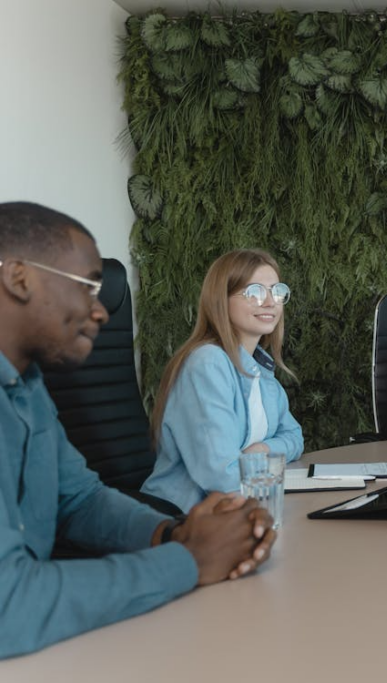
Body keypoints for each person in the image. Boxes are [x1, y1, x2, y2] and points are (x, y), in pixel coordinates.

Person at [0, 202, 276, 659]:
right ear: (19, 277)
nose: (101, 312)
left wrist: (174, 533)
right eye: (89, 286)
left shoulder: (26, 385)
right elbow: (8, 607)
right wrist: (187, 562)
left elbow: (78, 500)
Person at [142, 249, 303, 513]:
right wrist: (269, 465)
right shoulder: (207, 364)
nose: (270, 302)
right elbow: (222, 477)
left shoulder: (260, 369)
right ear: (221, 301)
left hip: (240, 510)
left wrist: (261, 450)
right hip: (185, 521)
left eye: (276, 291)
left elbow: (295, 437)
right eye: (254, 292)